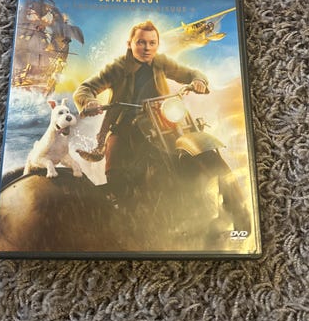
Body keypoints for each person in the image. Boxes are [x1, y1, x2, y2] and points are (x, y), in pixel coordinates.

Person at [73, 20, 208, 203]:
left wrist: (199, 81)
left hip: (162, 121)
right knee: (115, 170)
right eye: (141, 42)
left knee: (193, 147)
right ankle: (120, 205)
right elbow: (85, 88)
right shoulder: (118, 67)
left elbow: (191, 73)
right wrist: (89, 101)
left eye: (152, 43)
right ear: (130, 44)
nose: (147, 48)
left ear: (158, 45)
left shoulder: (161, 62)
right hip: (126, 124)